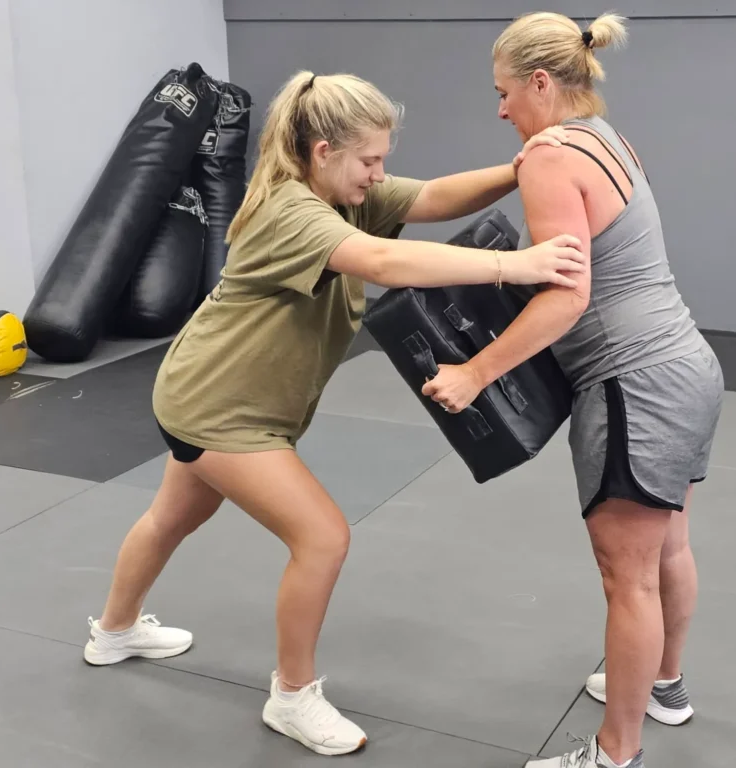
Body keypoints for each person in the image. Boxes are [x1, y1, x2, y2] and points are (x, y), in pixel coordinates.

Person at [81, 69, 587, 757]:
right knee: (322, 538)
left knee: (176, 515)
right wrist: (514, 267)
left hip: (218, 393)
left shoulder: (349, 195)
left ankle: (112, 632)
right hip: (219, 407)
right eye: (370, 160)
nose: (380, 175)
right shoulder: (290, 210)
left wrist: (524, 166)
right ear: (323, 152)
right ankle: (292, 697)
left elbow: (435, 196)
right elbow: (383, 263)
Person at [422, 11, 724, 768]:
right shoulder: (606, 138)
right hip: (687, 364)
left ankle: (615, 754)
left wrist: (473, 371)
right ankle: (665, 686)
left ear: (540, 81)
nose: (499, 111)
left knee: (626, 578)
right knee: (667, 550)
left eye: (502, 94)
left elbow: (567, 295)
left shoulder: (550, 157)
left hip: (634, 384)